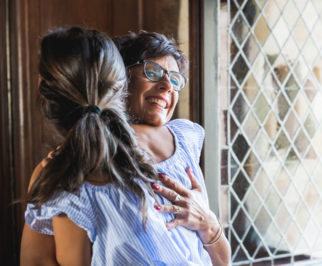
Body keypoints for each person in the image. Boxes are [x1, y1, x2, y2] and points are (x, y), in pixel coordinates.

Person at [20, 28, 231, 265]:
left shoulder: (184, 141)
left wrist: (210, 226)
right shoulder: (74, 164)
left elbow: (220, 260)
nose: (167, 85)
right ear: (120, 80)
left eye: (174, 79)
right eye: (152, 71)